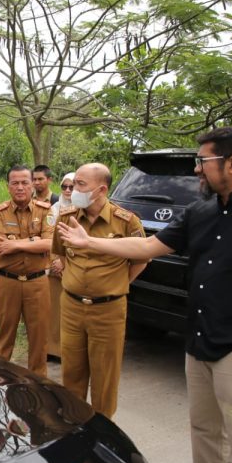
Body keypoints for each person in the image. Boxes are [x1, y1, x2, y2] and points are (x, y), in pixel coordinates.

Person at [57, 126, 232, 463]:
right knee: (205, 437)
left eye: (203, 161)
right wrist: (89, 242)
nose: (196, 169)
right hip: (198, 345)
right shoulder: (200, 211)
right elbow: (147, 248)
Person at [51, 162, 147, 418]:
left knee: (105, 377)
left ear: (101, 190)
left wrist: (117, 283)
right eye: (73, 184)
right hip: (71, 308)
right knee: (71, 373)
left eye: (80, 184)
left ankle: (103, 431)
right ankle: (74, 425)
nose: (73, 189)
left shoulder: (126, 221)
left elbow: (141, 258)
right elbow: (60, 254)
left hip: (108, 310)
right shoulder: (67, 217)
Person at [0, 165, 54, 377]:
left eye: (25, 182)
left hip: (37, 282)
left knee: (39, 337)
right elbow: (0, 245)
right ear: (8, 186)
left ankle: (38, 382)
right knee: (5, 334)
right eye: (15, 183)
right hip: (7, 282)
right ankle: (0, 379)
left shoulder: (46, 211)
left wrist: (16, 244)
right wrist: (35, 240)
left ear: (32, 184)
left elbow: (50, 244)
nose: (20, 187)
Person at [47, 172, 75, 360]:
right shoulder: (55, 209)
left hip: (74, 267)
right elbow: (49, 237)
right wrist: (55, 261)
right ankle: (51, 350)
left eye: (72, 187)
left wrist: (65, 262)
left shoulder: (84, 209)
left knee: (70, 312)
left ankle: (68, 351)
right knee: (53, 310)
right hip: (55, 266)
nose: (67, 190)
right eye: (64, 186)